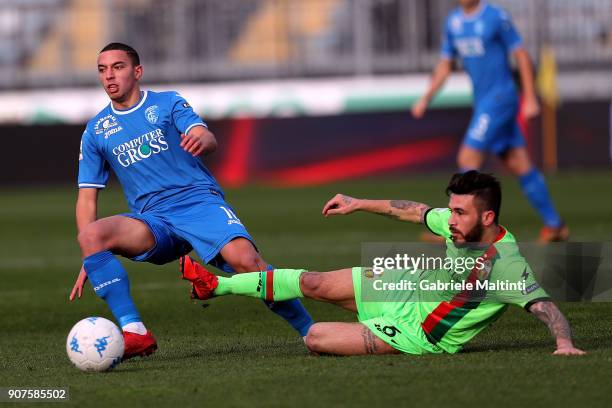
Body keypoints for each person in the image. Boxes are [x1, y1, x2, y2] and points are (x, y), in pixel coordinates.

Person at [69, 42, 313, 359]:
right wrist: (91, 255)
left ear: (137, 72)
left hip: (198, 202)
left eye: (118, 67)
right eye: (103, 70)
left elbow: (206, 136)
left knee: (247, 264)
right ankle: (135, 332)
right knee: (90, 234)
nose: (109, 76)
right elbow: (86, 197)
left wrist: (202, 139)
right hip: (153, 220)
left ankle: (310, 332)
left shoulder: (167, 103)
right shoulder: (96, 131)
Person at [181, 171, 585, 356]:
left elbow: (545, 308)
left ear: (488, 219)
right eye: (452, 210)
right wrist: (357, 203)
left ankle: (364, 329)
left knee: (315, 337)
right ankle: (216, 285)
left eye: (460, 213)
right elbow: (412, 210)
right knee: (316, 282)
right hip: (409, 289)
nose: (451, 220)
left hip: (422, 335)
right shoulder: (456, 222)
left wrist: (564, 344)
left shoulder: (506, 265)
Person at [411, 0, 568, 242]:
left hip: (500, 98)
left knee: (467, 158)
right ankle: (555, 225)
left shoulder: (495, 17)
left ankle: (459, 229)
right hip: (484, 101)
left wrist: (530, 97)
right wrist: (426, 97)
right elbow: (445, 65)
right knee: (519, 162)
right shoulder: (453, 22)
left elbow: (521, 55)